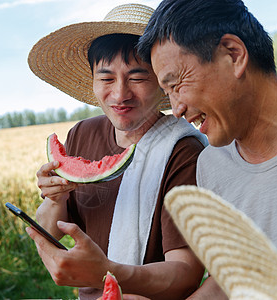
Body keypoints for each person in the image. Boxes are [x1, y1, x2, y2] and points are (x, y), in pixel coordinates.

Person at [137, 0, 277, 299]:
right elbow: (229, 280)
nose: (176, 109)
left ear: (234, 54)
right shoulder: (211, 167)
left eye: (175, 85)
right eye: (167, 94)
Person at [26, 3, 211, 300]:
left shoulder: (184, 151)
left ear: (163, 81)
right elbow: (49, 230)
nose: (120, 94)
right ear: (93, 80)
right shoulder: (81, 134)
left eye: (137, 77)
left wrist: (107, 271)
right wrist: (55, 197)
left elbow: (186, 272)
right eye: (107, 78)